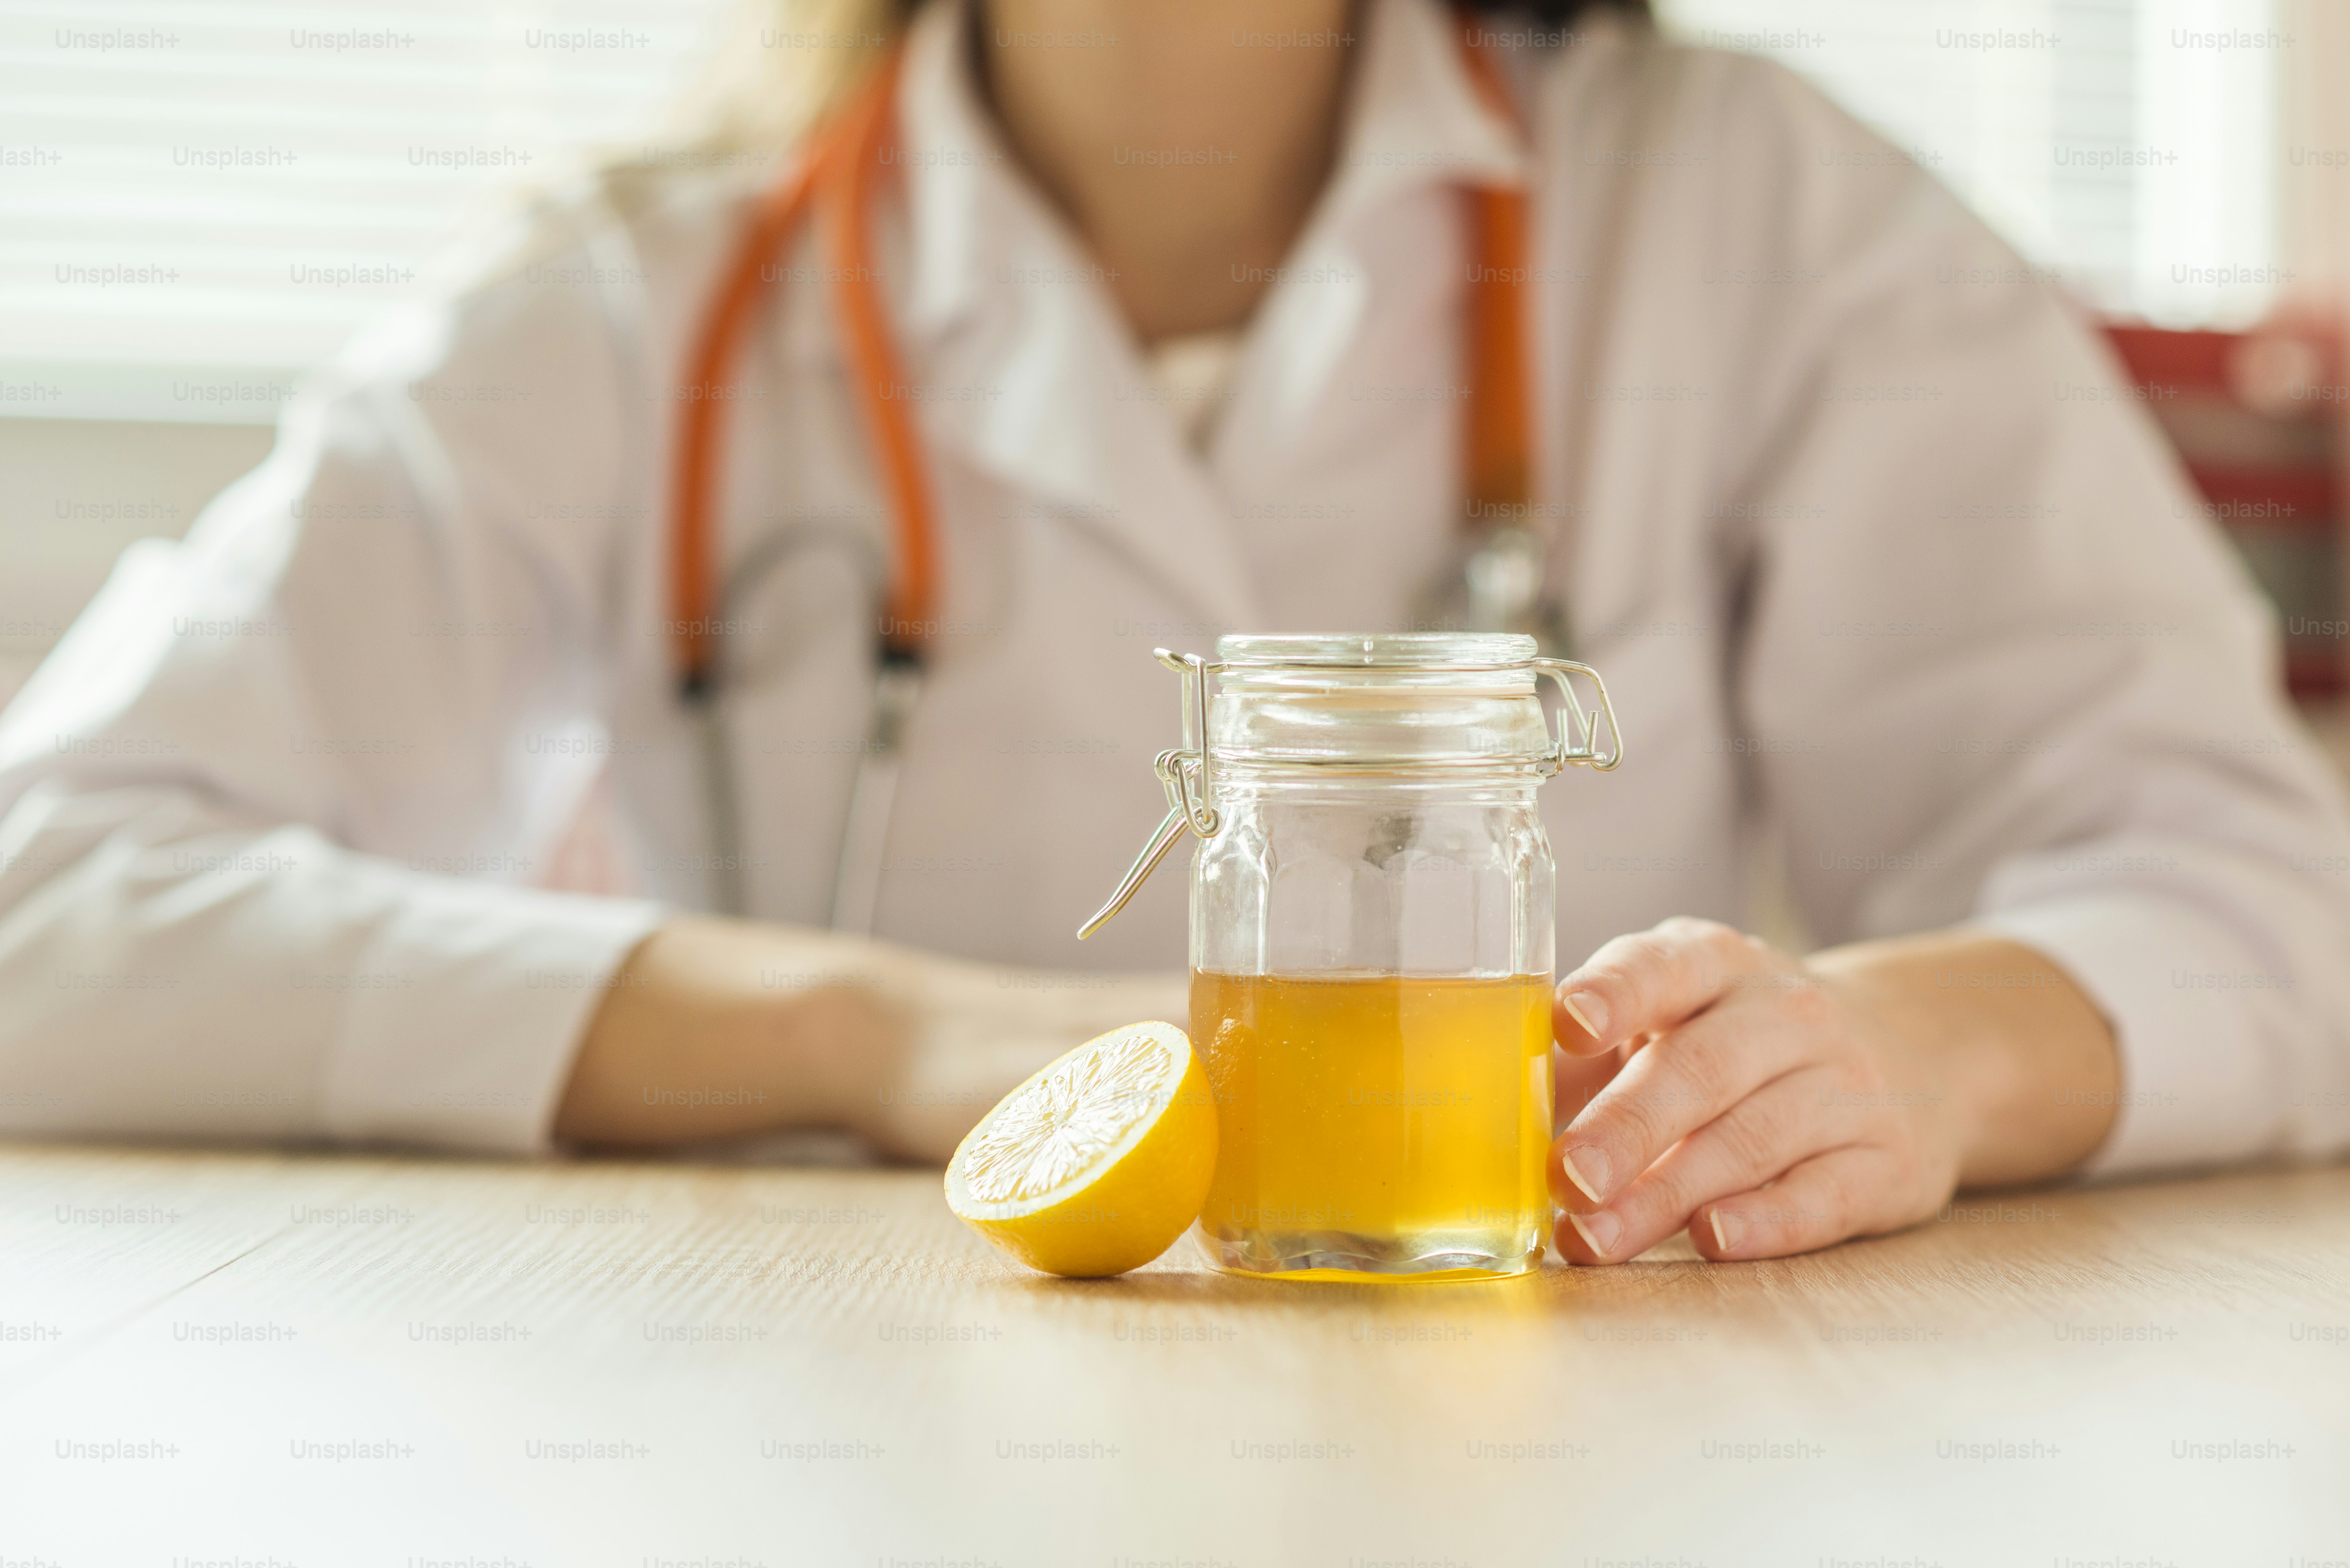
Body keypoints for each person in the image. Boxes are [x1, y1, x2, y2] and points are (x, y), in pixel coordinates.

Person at [3, 0, 2348, 1268]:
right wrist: (878, 1032)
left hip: (1570, 1451)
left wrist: (1905, 1057)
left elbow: (2276, 906)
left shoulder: (1759, 215)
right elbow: (47, 898)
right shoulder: (640, 300)